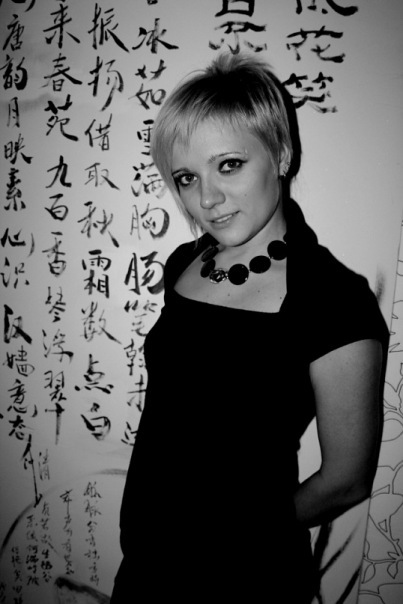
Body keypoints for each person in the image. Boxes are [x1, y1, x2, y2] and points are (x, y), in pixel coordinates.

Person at [111, 52, 388, 602]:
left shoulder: (332, 300)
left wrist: (230, 535)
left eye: (229, 165)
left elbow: (347, 480)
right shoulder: (186, 263)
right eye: (187, 177)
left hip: (247, 576)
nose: (206, 199)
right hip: (144, 568)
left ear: (280, 153)